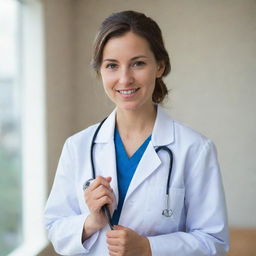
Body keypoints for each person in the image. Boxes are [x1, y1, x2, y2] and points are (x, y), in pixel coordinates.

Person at [44, 10, 229, 256]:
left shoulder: (194, 148)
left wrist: (148, 248)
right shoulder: (78, 146)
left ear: (160, 66)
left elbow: (213, 241)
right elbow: (55, 227)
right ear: (100, 71)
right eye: (112, 65)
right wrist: (91, 222)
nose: (125, 78)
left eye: (138, 63)